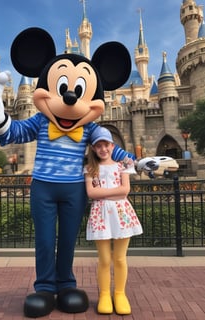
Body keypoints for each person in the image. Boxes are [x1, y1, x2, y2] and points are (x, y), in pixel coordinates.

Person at [84, 127, 143, 315]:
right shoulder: (90, 169)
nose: (103, 149)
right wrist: (114, 193)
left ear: (112, 145)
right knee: (104, 259)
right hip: (101, 216)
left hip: (121, 215)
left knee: (119, 258)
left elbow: (125, 190)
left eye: (106, 145)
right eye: (98, 146)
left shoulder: (124, 165)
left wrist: (104, 194)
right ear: (93, 148)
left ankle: (119, 294)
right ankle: (104, 295)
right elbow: (92, 193)